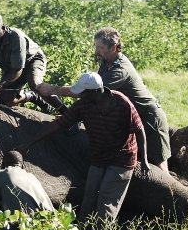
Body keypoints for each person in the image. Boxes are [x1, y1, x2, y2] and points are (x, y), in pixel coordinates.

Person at [15, 72, 150, 227]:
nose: (79, 95)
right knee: (89, 197)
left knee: (107, 201)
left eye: (83, 92)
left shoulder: (121, 102)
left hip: (122, 158)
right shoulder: (83, 104)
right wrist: (28, 144)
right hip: (99, 157)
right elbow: (58, 124)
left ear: (94, 92)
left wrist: (144, 159)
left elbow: (139, 130)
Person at [38, 27, 171, 173]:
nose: (97, 51)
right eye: (96, 47)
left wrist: (52, 89)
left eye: (100, 47)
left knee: (159, 166)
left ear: (113, 47)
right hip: (130, 118)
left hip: (150, 119)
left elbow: (86, 92)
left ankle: (174, 196)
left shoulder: (120, 70)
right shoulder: (106, 63)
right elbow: (94, 98)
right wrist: (72, 117)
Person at [0, 14, 67, 114]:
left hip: (32, 60)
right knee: (4, 101)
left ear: (2, 28)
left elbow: (18, 70)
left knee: (36, 85)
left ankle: (64, 111)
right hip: (11, 68)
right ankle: (32, 96)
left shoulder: (15, 36)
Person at [0, 151, 54, 215]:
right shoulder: (32, 177)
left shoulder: (0, 175)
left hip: (23, 222)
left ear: (3, 165)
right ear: (22, 165)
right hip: (48, 219)